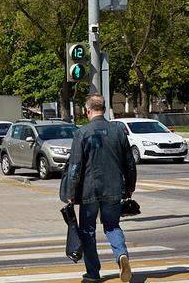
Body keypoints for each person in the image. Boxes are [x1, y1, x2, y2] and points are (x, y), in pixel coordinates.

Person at [64, 94, 137, 283]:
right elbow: (129, 163)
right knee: (112, 226)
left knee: (87, 230)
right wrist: (129, 187)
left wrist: (71, 193)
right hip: (114, 189)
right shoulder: (118, 131)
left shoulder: (82, 133)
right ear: (103, 109)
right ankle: (122, 256)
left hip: (89, 191)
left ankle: (93, 273)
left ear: (88, 110)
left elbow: (75, 167)